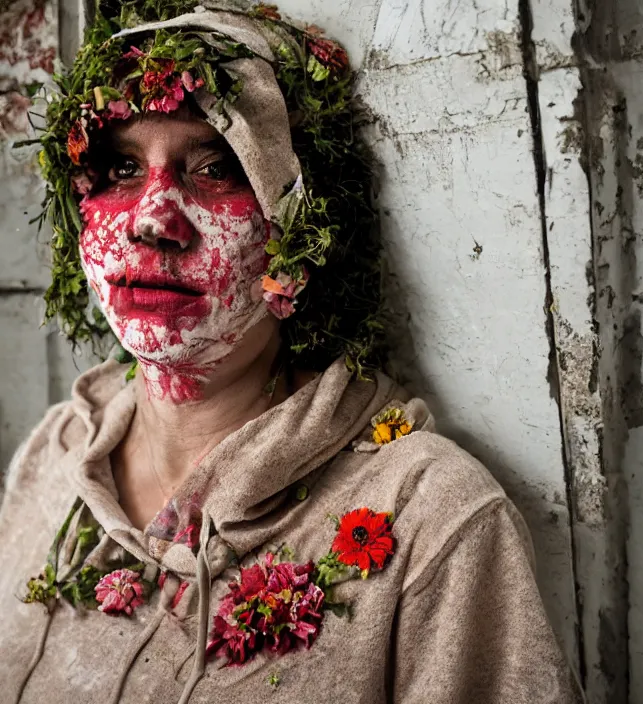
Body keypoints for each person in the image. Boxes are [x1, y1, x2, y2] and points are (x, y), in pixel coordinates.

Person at [0, 3, 585, 703]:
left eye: (216, 166)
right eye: (121, 167)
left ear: (298, 231)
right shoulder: (54, 456)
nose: (152, 220)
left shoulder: (432, 518)